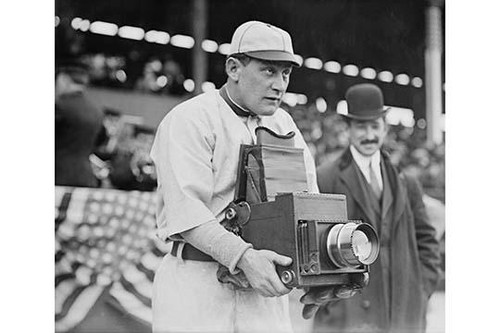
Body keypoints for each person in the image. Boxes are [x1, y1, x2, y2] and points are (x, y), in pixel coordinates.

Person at [150, 21, 364, 333]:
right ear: (234, 68)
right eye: (269, 70)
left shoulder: (284, 124)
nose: (280, 84)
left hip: (262, 295)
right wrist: (245, 258)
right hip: (197, 284)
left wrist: (325, 273)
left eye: (286, 73)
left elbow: (310, 206)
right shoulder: (190, 119)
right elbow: (187, 214)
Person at [314, 83, 442, 333]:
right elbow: (316, 249)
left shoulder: (406, 180)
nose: (369, 134)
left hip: (402, 312)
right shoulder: (325, 177)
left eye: (375, 126)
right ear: (348, 128)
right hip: (349, 316)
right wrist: (332, 304)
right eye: (361, 126)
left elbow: (427, 241)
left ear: (385, 128)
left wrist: (421, 288)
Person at [55, 58, 104, 187]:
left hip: (57, 177)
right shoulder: (96, 111)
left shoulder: (59, 106)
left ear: (63, 79)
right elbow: (101, 141)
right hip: (85, 178)